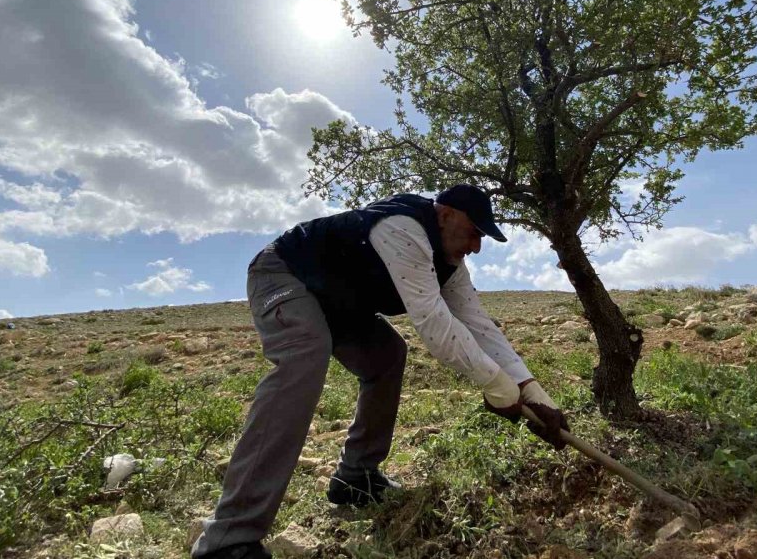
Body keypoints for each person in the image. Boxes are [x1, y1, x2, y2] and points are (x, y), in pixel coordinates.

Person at [191, 184, 571, 559]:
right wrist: (495, 385)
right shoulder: (403, 228)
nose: (476, 247)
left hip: (337, 301)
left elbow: (479, 326)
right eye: (474, 233)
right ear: (445, 215)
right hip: (286, 275)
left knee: (386, 355)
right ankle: (229, 538)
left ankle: (356, 478)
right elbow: (433, 322)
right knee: (305, 351)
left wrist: (533, 391)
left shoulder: (451, 266)